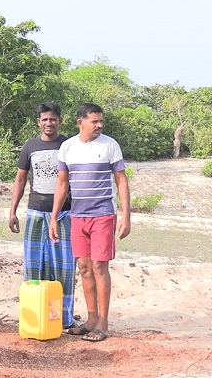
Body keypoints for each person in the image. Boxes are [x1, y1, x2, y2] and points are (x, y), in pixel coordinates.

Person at [50, 103, 130, 342]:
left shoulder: (109, 145)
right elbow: (62, 185)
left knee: (99, 268)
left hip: (103, 216)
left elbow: (121, 181)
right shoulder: (67, 147)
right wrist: (54, 217)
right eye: (94, 121)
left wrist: (126, 215)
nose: (99, 125)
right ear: (80, 122)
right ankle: (91, 318)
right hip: (77, 216)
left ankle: (103, 322)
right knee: (84, 268)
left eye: (100, 121)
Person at [9, 102, 76, 329]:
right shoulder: (30, 146)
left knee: (64, 267)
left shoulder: (68, 145)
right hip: (36, 212)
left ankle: (64, 317)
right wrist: (12, 212)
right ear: (38, 122)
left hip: (64, 215)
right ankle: (33, 315)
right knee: (34, 265)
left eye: (53, 119)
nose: (49, 123)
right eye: (44, 119)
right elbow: (20, 180)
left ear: (60, 121)